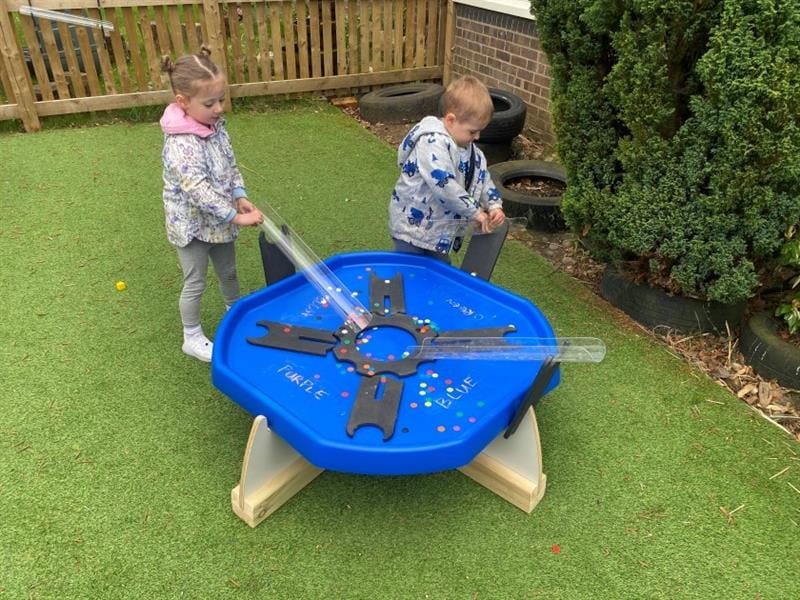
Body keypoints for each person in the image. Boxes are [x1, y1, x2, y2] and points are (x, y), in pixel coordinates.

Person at [160, 48, 263, 363]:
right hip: (191, 225)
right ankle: (191, 336)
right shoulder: (181, 144)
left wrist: (240, 194)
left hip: (219, 221)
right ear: (183, 102)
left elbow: (230, 165)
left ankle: (236, 312)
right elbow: (198, 191)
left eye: (221, 99)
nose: (219, 108)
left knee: (229, 271)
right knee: (196, 280)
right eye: (209, 103)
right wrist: (236, 217)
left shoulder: (216, 126)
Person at [388, 76, 505, 261]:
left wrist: (494, 206)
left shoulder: (474, 153)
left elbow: (483, 180)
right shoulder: (432, 142)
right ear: (451, 120)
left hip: (439, 230)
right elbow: (444, 185)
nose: (477, 137)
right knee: (409, 271)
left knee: (439, 272)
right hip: (412, 227)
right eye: (472, 131)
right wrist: (476, 212)